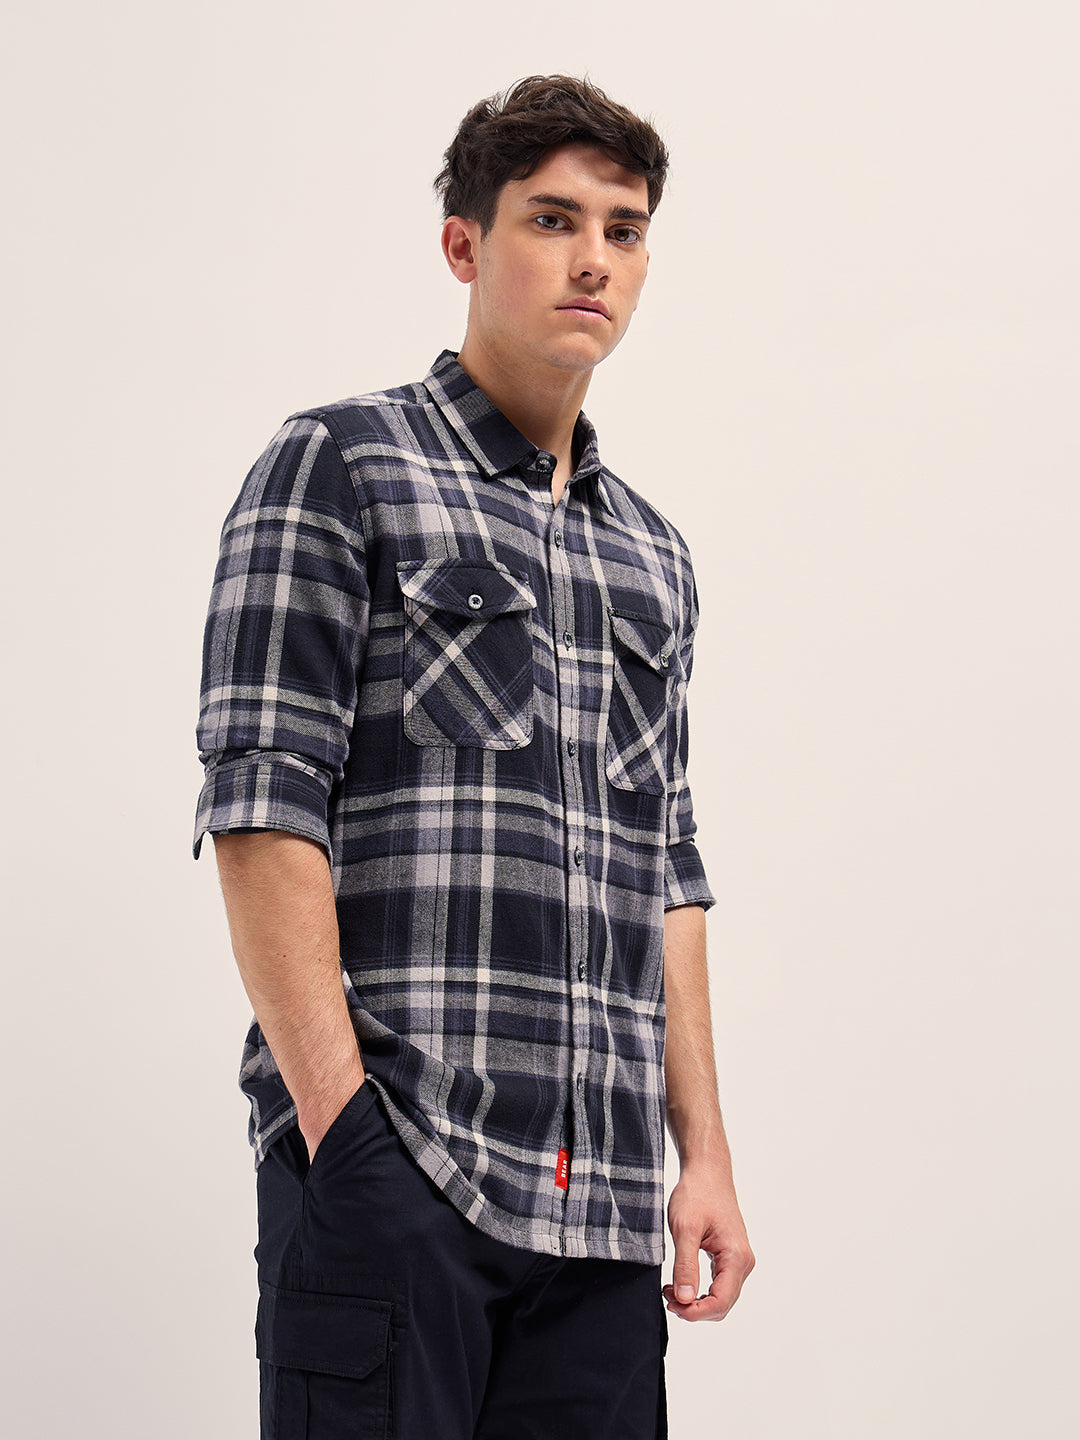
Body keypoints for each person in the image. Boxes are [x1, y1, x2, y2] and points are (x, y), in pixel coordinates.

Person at [194, 73, 754, 1440]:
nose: (592, 260)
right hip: (406, 1168)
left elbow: (668, 871)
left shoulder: (655, 556)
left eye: (623, 230)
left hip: (605, 1211)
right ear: (464, 244)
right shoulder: (339, 466)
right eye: (552, 220)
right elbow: (263, 808)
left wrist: (705, 1157)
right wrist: (345, 1131)